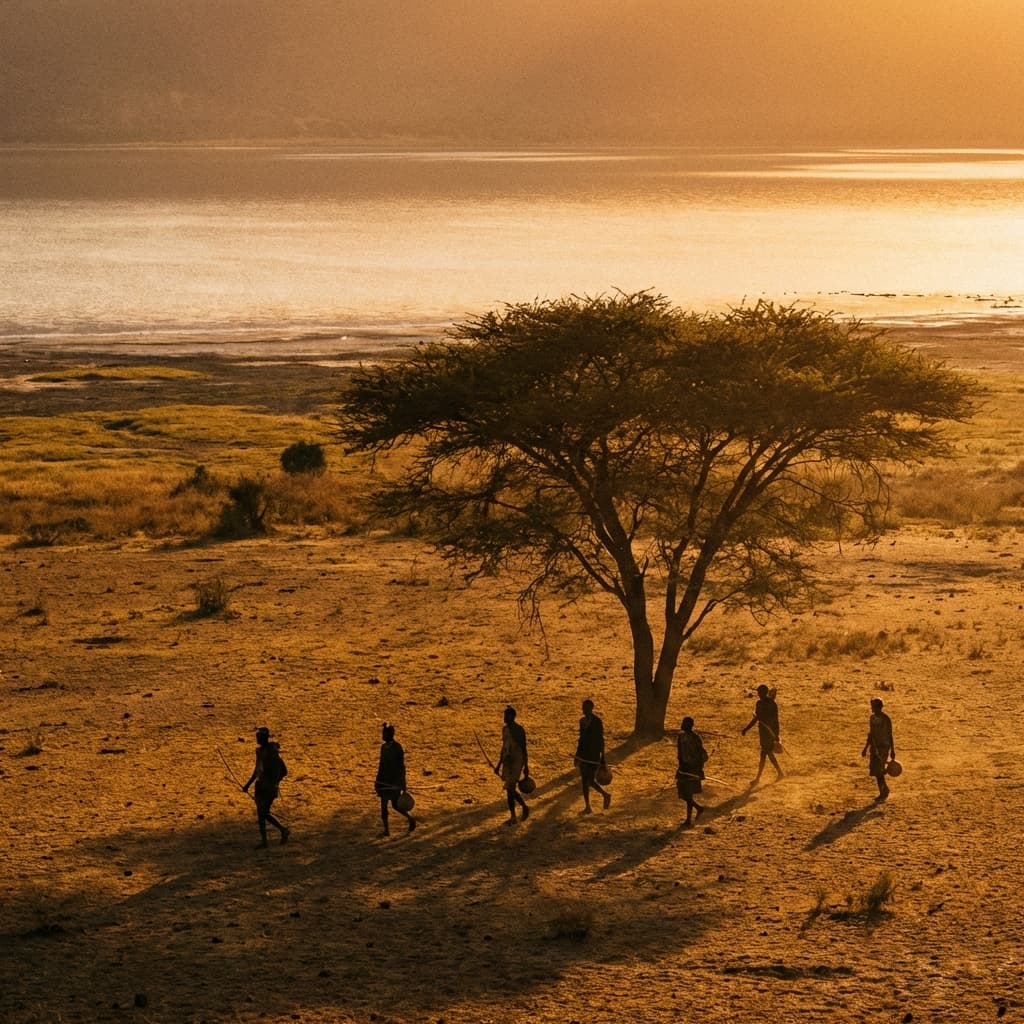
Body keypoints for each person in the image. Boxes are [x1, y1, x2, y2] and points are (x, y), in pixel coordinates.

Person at [242, 726, 290, 848]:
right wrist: (248, 784)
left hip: (269, 788)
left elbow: (284, 771)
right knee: (261, 814)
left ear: (264, 738)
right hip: (260, 786)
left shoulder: (272, 752)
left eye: (259, 737)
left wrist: (274, 783)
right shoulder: (259, 752)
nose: (257, 739)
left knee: (263, 812)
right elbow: (257, 770)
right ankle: (265, 841)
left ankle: (282, 830)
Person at [375, 723, 416, 835]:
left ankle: (410, 818)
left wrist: (403, 784)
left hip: (393, 782)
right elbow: (381, 764)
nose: (383, 735)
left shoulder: (397, 748)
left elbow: (401, 767)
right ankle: (387, 830)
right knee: (385, 808)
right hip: (383, 781)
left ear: (390, 734)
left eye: (385, 733)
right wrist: (377, 781)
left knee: (395, 805)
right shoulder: (383, 747)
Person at [494, 705, 530, 825]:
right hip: (507, 762)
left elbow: (524, 748)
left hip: (517, 762)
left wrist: (526, 766)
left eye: (506, 715)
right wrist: (499, 764)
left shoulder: (519, 730)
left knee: (510, 789)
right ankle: (523, 808)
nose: (504, 717)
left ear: (511, 716)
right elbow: (503, 748)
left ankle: (514, 816)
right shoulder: (505, 729)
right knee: (510, 789)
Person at [741, 683, 783, 785]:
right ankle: (779, 773)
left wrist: (776, 735)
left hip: (769, 733)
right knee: (766, 753)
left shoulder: (770, 704)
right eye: (758, 693)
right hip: (764, 732)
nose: (759, 694)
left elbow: (775, 720)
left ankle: (758, 778)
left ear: (764, 692)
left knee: (764, 753)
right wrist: (746, 728)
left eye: (760, 693)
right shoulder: (760, 703)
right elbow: (757, 718)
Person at [575, 699, 611, 813]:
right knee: (584, 781)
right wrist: (577, 755)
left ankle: (605, 795)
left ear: (591, 708)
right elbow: (581, 740)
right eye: (583, 707)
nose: (583, 710)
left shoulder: (597, 722)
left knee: (589, 780)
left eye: (585, 707)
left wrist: (603, 757)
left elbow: (601, 740)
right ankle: (588, 807)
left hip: (593, 755)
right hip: (583, 755)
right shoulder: (582, 721)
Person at [676, 716, 709, 827]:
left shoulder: (696, 738)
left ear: (690, 725)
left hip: (692, 769)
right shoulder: (680, 737)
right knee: (684, 793)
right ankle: (698, 809)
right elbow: (679, 754)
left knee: (688, 794)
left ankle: (689, 819)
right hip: (683, 768)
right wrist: (681, 765)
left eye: (685, 723)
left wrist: (698, 767)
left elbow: (702, 754)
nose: (682, 725)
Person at [862, 697, 896, 802]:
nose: (871, 708)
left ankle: (883, 793)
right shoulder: (872, 718)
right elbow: (871, 734)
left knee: (879, 770)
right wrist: (866, 748)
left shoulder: (885, 719)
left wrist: (893, 750)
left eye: (873, 706)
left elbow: (890, 734)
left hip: (883, 747)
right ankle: (884, 791)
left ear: (878, 707)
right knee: (876, 771)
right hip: (875, 747)